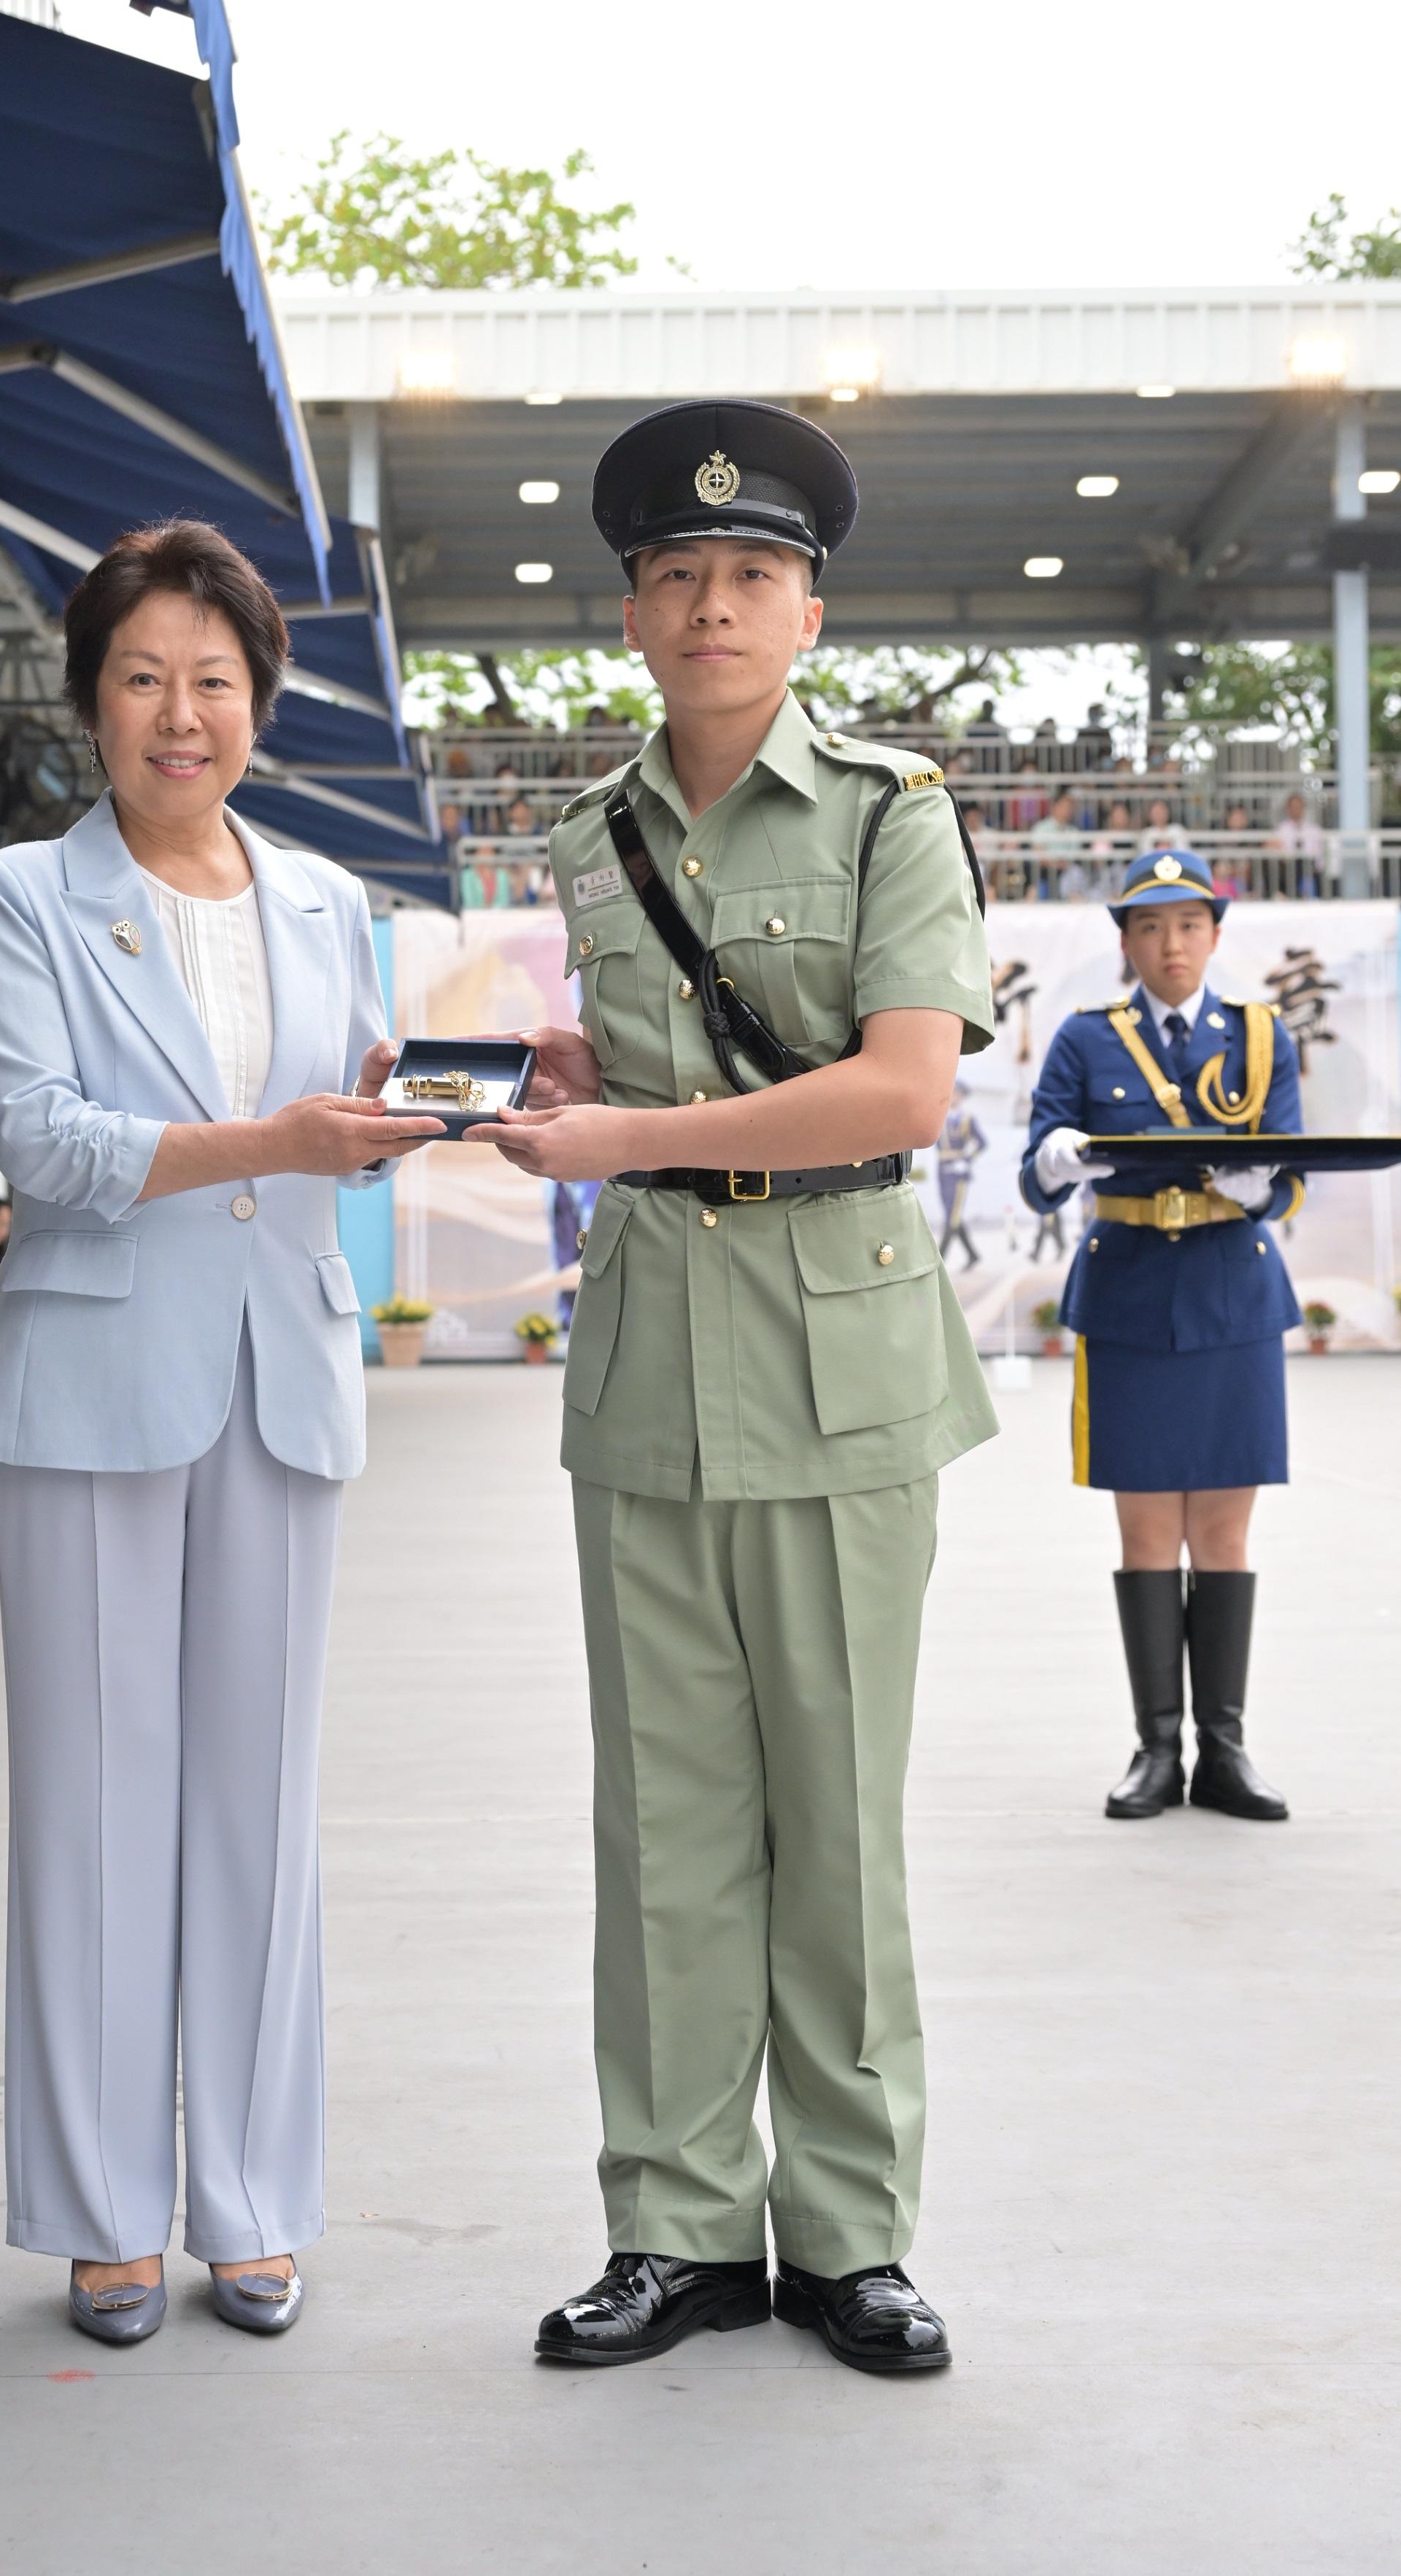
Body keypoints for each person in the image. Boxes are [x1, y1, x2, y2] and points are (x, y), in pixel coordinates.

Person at [471, 401, 995, 2378]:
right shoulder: (585, 834)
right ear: (628, 611)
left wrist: (625, 1136)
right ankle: (674, 2226)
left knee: (832, 1828)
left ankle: (845, 2232)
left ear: (804, 609)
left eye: (748, 576)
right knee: (661, 1829)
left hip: (840, 1374)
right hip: (646, 1382)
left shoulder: (887, 808)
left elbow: (897, 1089)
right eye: (675, 576)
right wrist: (556, 1107)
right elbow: (627, 1102)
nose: (710, 605)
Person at [0, 515, 438, 2351]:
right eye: (145, 677)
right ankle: (96, 2210)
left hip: (279, 1375)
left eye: (215, 681)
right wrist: (281, 1146)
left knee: (260, 1800)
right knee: (92, 1795)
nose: (181, 713)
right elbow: (50, 1146)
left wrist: (446, 1105)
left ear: (260, 701)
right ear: (94, 699)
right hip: (92, 1384)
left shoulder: (327, 901)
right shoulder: (21, 897)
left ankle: (248, 2198)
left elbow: (349, 1105)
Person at [1020, 847, 1302, 1825]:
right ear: (1125, 943)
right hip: (1130, 1293)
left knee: (1220, 1532)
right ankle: (1154, 1749)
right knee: (1145, 1531)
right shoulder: (1082, 1039)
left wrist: (1261, 1185)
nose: (1169, 943)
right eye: (1148, 926)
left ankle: (1222, 1749)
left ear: (1214, 935)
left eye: (1186, 924)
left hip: (1230, 1293)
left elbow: (1291, 1168)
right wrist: (1055, 1160)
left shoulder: (1260, 1035)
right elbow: (1036, 1164)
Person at [934, 1082, 986, 1269]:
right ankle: (973, 1255)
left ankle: (938, 1261)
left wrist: (967, 1159)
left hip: (959, 1173)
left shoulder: (968, 1118)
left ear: (962, 1097)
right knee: (952, 1214)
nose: (954, 1097)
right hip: (943, 1170)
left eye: (957, 1094)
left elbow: (981, 1142)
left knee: (952, 1218)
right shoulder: (940, 1116)